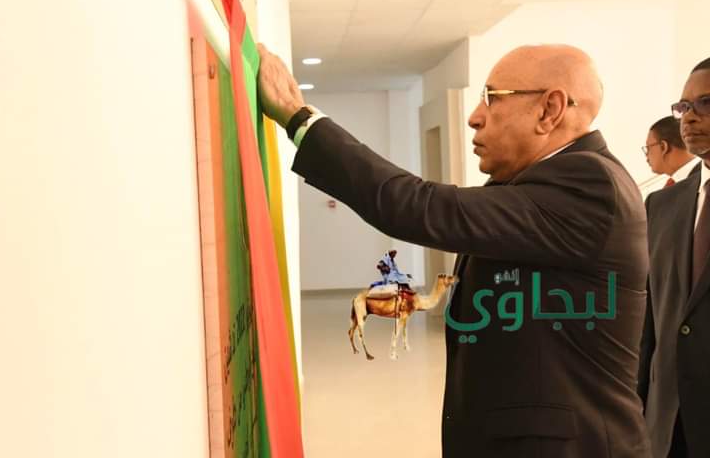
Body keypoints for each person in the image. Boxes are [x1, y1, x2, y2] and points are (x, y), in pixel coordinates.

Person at [257, 43, 650, 457]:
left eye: (492, 98)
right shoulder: (535, 181)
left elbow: (418, 207)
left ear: (549, 110)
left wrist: (300, 119)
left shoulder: (589, 185)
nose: (474, 116)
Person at [638, 57, 710, 458]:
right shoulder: (662, 206)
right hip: (668, 421)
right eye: (684, 106)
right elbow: (650, 318)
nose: (690, 117)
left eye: (705, 103)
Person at [642, 116, 697, 191]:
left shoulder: (705, 179)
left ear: (663, 147)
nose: (646, 155)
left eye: (648, 148)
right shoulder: (668, 189)